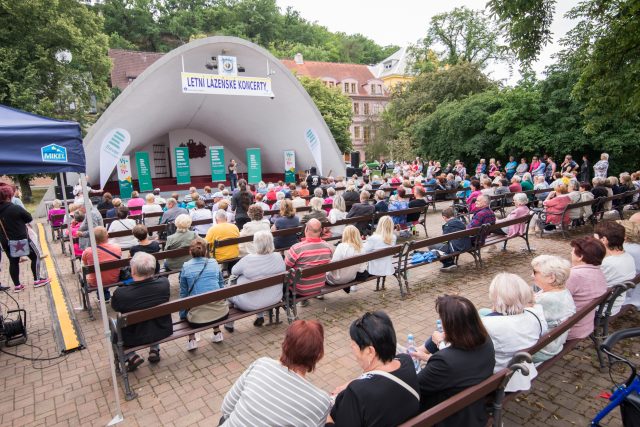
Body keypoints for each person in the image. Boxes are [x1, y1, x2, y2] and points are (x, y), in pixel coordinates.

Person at [219, 320, 331, 426]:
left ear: (285, 344)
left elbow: (226, 408)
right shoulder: (320, 402)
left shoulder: (261, 365)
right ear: (318, 355)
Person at [411, 296, 495, 426]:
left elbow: (414, 386)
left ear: (451, 326)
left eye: (442, 320)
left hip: (448, 418)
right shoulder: (486, 341)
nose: (441, 322)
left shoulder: (444, 361)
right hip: (475, 409)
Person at [327, 311, 420, 426]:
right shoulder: (406, 362)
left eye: (354, 344)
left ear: (370, 351)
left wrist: (328, 418)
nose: (351, 347)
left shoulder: (356, 393)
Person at [481, 273, 548, 391]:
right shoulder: (535, 315)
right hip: (522, 369)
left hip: (498, 377)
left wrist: (441, 342)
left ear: (495, 297)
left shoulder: (488, 324)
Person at [111, 252, 172, 370]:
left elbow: (115, 307)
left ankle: (131, 356)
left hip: (134, 336)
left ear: (132, 271)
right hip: (161, 329)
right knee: (151, 316)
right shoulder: (164, 283)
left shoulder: (121, 293)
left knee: (113, 329)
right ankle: (154, 349)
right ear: (153, 269)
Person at [227, 231, 286, 329]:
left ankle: (229, 324)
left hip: (249, 303)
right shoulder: (278, 256)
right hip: (274, 298)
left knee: (231, 285)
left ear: (256, 244)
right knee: (256, 283)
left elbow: (234, 271)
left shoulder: (248, 259)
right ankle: (260, 315)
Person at [179, 238, 229, 350]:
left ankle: (191, 340)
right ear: (206, 251)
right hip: (221, 312)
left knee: (190, 303)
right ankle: (217, 332)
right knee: (211, 297)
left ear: (190, 252)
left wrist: (183, 316)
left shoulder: (186, 266)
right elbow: (221, 285)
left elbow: (183, 294)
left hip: (197, 319)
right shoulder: (214, 262)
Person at [0, 183, 50, 292]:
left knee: (13, 262)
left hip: (6, 241)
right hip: (22, 239)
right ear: (9, 196)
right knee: (35, 256)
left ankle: (17, 285)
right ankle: (37, 279)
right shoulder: (15, 208)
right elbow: (28, 218)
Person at [530, 255, 576, 362]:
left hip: (540, 351)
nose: (531, 275)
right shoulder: (563, 292)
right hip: (553, 344)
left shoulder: (545, 300)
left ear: (551, 278)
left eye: (535, 272)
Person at [565, 237, 608, 340]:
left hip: (569, 329)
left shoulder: (574, 276)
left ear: (580, 257)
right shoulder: (599, 272)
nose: (571, 253)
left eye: (572, 251)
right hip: (585, 325)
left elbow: (554, 302)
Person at [594, 221, 637, 315]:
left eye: (595, 238)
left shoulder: (607, 264)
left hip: (600, 309)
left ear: (604, 240)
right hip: (614, 305)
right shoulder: (628, 257)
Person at [284, 218, 333, 299]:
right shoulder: (328, 247)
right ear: (321, 230)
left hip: (299, 289)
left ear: (306, 229)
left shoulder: (297, 248)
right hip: (319, 286)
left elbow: (285, 267)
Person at [81, 226, 122, 300]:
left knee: (98, 274)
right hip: (115, 278)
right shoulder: (117, 248)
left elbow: (85, 265)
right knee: (105, 272)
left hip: (95, 282)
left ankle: (103, 297)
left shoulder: (88, 251)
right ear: (107, 236)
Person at [431, 207, 471, 272]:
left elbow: (444, 241)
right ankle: (449, 262)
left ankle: (448, 263)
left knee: (432, 246)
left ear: (444, 217)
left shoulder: (447, 226)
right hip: (466, 245)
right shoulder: (461, 223)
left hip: (456, 248)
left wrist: (440, 245)